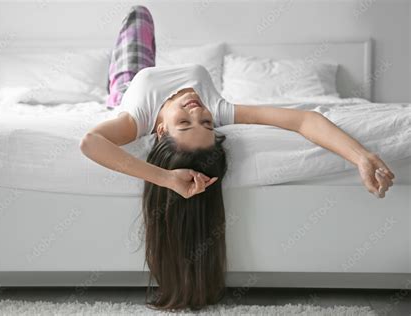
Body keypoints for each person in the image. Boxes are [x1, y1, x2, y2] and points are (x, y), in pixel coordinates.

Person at [80, 5, 395, 311]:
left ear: (160, 130)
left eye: (187, 122)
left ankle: (112, 92)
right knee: (140, 14)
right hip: (141, 83)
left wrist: (167, 179)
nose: (198, 111)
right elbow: (303, 120)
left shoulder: (138, 117)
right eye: (204, 123)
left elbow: (91, 142)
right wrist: (361, 156)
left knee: (138, 15)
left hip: (127, 86)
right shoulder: (216, 108)